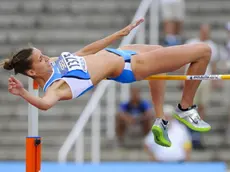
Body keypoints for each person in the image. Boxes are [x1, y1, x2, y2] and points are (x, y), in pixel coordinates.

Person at [1, 18, 211, 147]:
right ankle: (185, 107)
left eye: (43, 54)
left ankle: (160, 121)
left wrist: (118, 35)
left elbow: (85, 51)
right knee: (203, 51)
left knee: (158, 50)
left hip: (120, 52)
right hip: (131, 65)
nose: (46, 57)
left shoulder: (54, 63)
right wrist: (23, 93)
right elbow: (45, 104)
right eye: (40, 59)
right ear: (31, 71)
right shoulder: (56, 87)